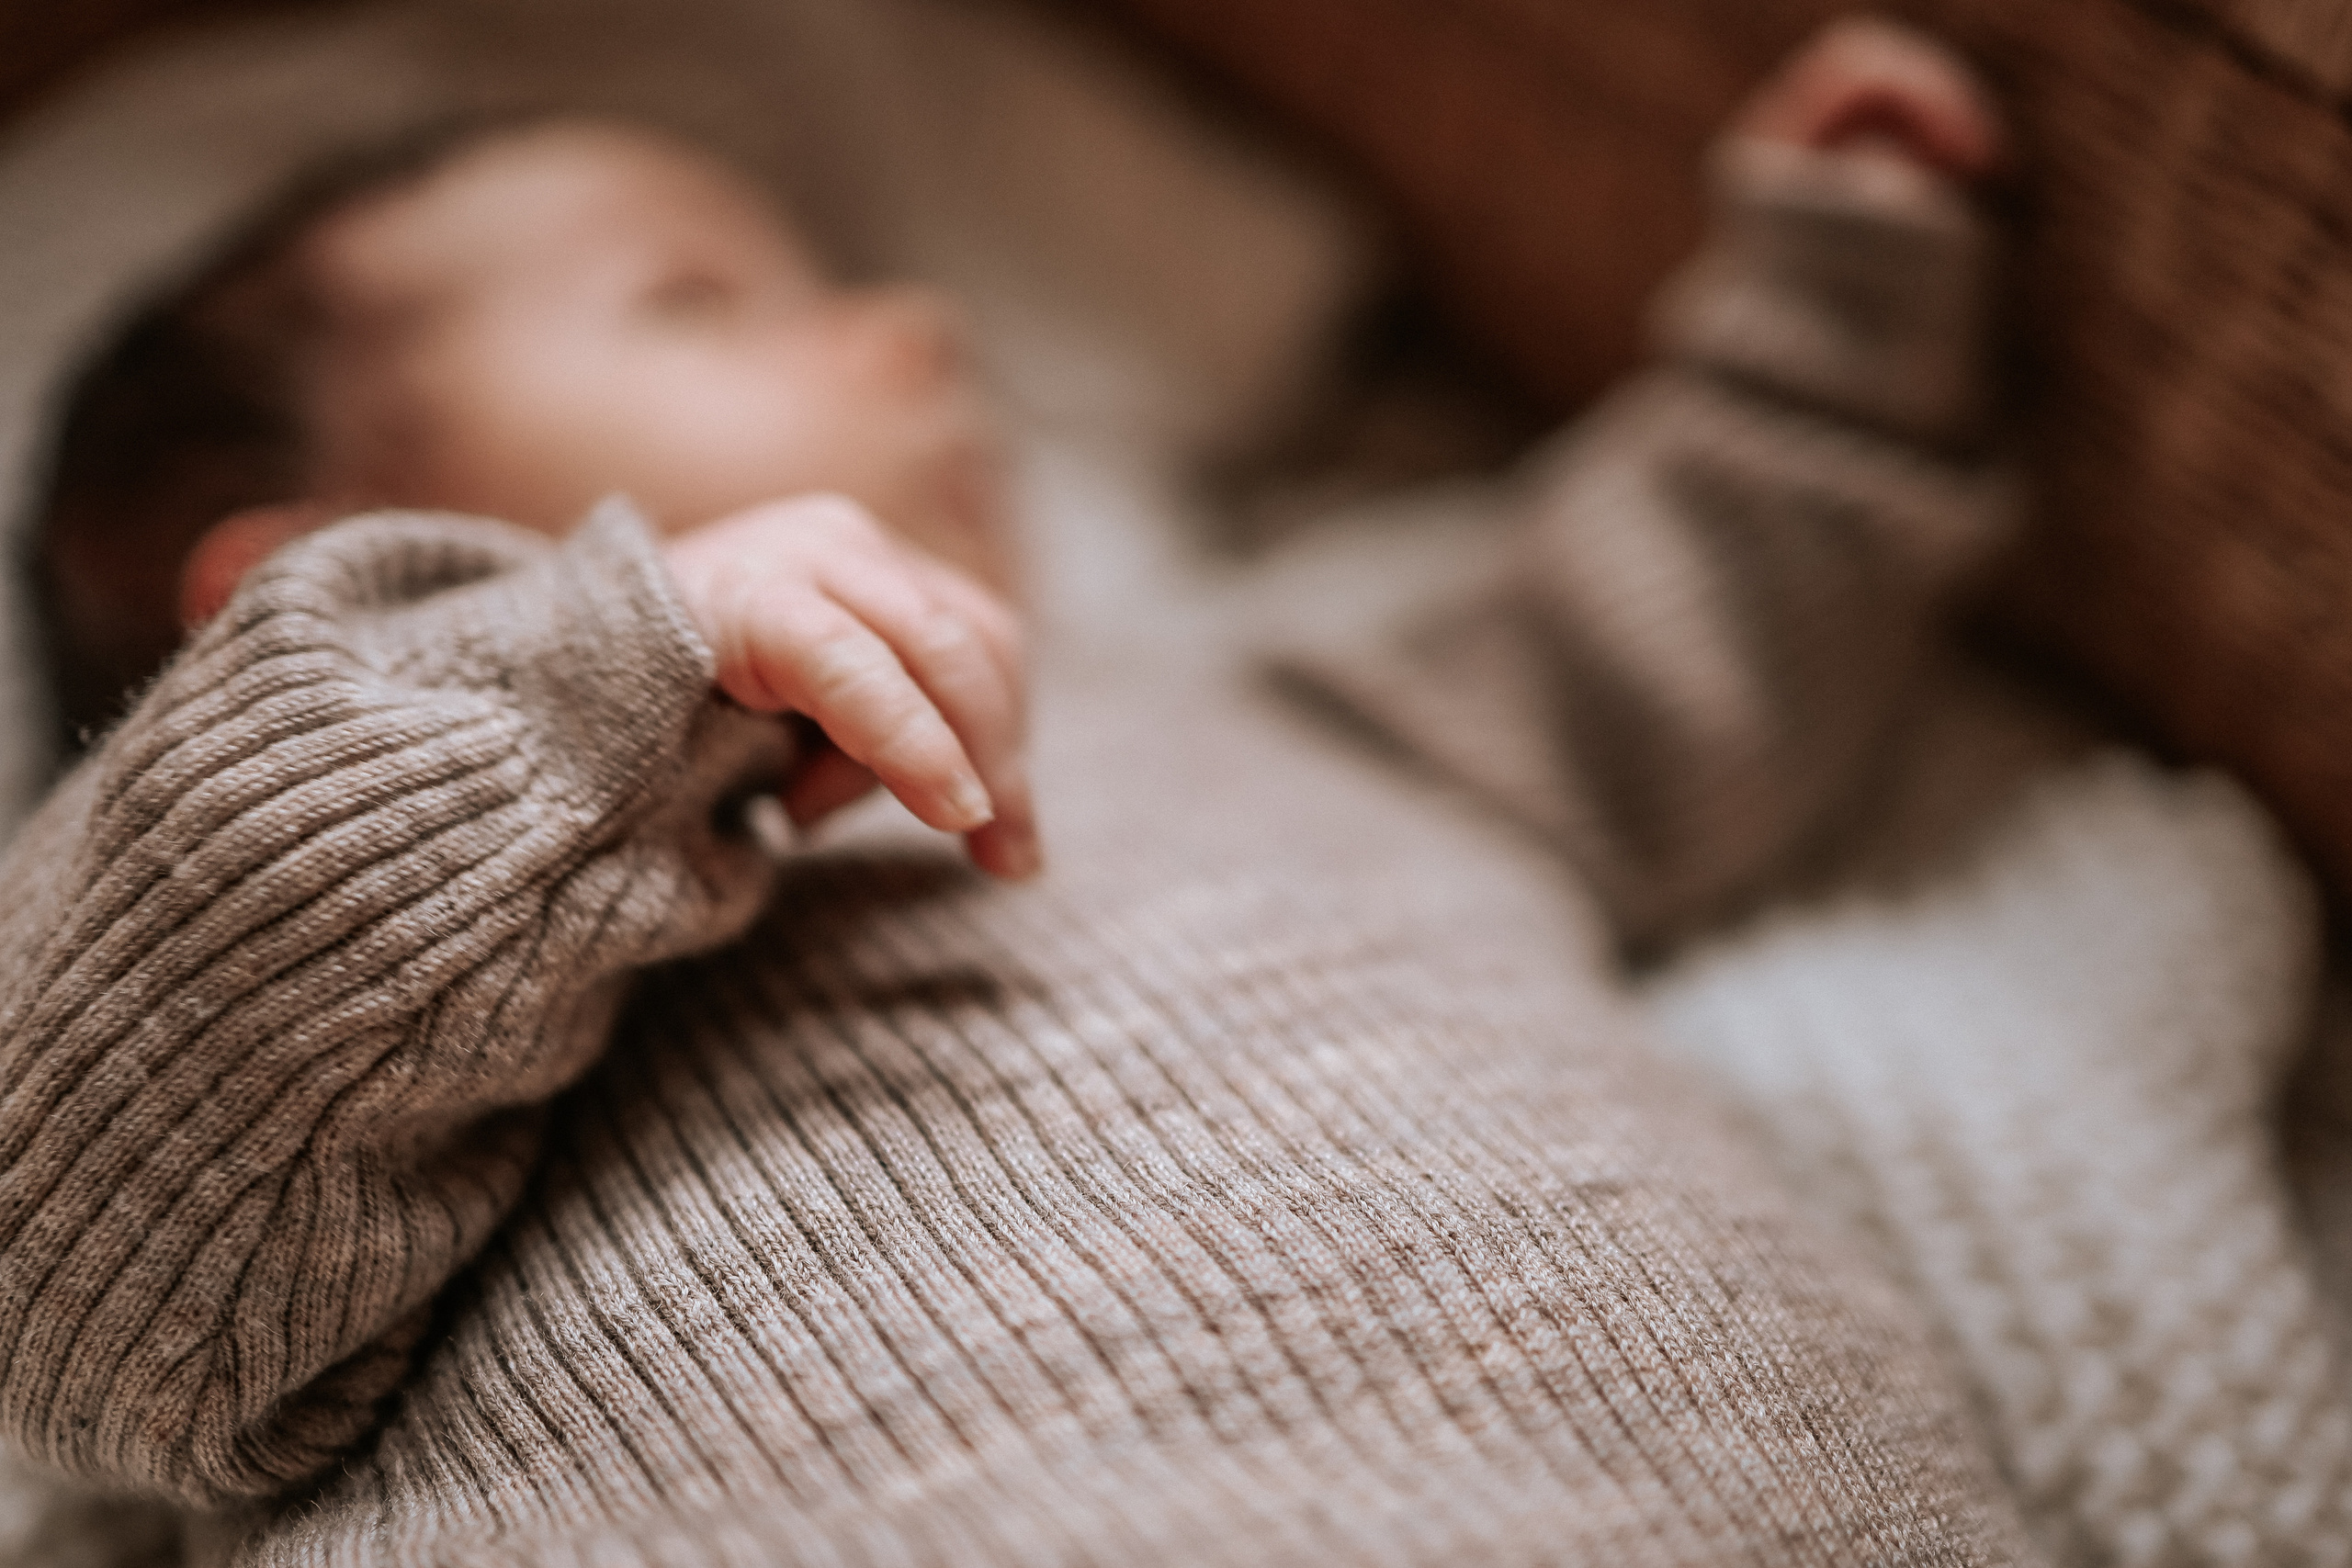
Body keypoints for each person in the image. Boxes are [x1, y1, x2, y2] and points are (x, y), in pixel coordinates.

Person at [0, 18, 2044, 1564]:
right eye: (699, 297)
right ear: (294, 585)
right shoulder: (300, 1008)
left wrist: (1815, 353)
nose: (919, 329)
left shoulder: (1265, 703)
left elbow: (1641, 671)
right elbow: (78, 1286)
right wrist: (575, 684)